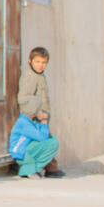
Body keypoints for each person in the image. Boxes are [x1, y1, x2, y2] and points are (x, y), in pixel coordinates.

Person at [17, 46, 64, 177]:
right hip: (34, 118)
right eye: (37, 62)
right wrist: (36, 114)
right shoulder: (30, 77)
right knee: (41, 143)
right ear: (29, 61)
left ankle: (51, 168)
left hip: (42, 118)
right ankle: (34, 170)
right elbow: (24, 98)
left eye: (43, 62)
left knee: (46, 141)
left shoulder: (40, 75)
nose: (40, 65)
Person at [8, 106, 58, 179]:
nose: (42, 112)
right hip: (21, 153)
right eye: (39, 110)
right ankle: (30, 170)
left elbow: (45, 136)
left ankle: (29, 170)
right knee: (52, 143)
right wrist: (44, 121)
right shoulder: (24, 122)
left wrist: (42, 122)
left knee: (52, 141)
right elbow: (42, 138)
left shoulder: (31, 122)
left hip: (26, 152)